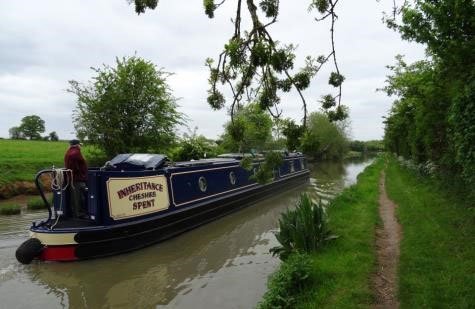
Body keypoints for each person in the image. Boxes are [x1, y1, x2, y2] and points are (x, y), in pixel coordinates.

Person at [64, 139, 88, 218]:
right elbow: (74, 166)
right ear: (77, 145)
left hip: (73, 178)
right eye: (79, 145)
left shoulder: (68, 151)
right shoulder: (76, 152)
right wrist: (80, 172)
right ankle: (79, 214)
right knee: (79, 197)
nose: (80, 146)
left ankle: (75, 213)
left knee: (75, 197)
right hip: (77, 178)